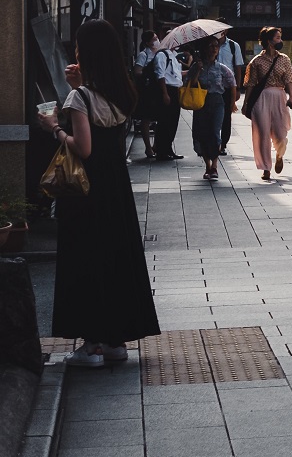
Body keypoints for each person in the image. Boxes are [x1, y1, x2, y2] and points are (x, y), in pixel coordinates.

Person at [38, 19, 161, 367]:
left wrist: (54, 129)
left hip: (86, 192)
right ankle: (115, 342)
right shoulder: (123, 91)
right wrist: (80, 85)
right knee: (115, 258)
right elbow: (103, 115)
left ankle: (90, 344)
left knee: (86, 260)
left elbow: (83, 147)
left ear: (86, 52)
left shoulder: (80, 97)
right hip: (115, 189)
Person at [243, 27, 292, 182]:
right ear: (268, 41)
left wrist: (291, 97)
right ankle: (266, 167)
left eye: (280, 37)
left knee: (280, 133)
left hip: (279, 96)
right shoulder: (256, 61)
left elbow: (289, 79)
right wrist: (246, 103)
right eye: (278, 38)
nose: (280, 41)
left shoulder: (284, 59)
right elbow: (251, 84)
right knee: (262, 134)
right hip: (261, 98)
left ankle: (279, 154)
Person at [185, 37, 236, 181]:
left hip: (217, 101)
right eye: (211, 46)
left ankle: (214, 166)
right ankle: (207, 166)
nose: (214, 48)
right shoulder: (196, 66)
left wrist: (232, 103)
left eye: (216, 46)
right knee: (202, 134)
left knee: (215, 132)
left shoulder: (221, 67)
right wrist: (198, 70)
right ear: (204, 48)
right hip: (200, 102)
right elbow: (190, 83)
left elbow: (232, 84)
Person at [151, 41, 185, 161]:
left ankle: (168, 148)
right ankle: (161, 150)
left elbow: (176, 74)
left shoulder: (173, 55)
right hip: (166, 90)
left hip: (175, 90)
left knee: (173, 121)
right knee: (165, 121)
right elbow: (160, 75)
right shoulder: (162, 55)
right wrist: (165, 94)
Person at [217, 30, 245, 152]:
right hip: (213, 85)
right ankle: (213, 141)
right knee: (212, 115)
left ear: (226, 31)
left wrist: (238, 88)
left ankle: (223, 144)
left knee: (226, 115)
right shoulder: (211, 44)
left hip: (228, 86)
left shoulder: (233, 46)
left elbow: (238, 66)